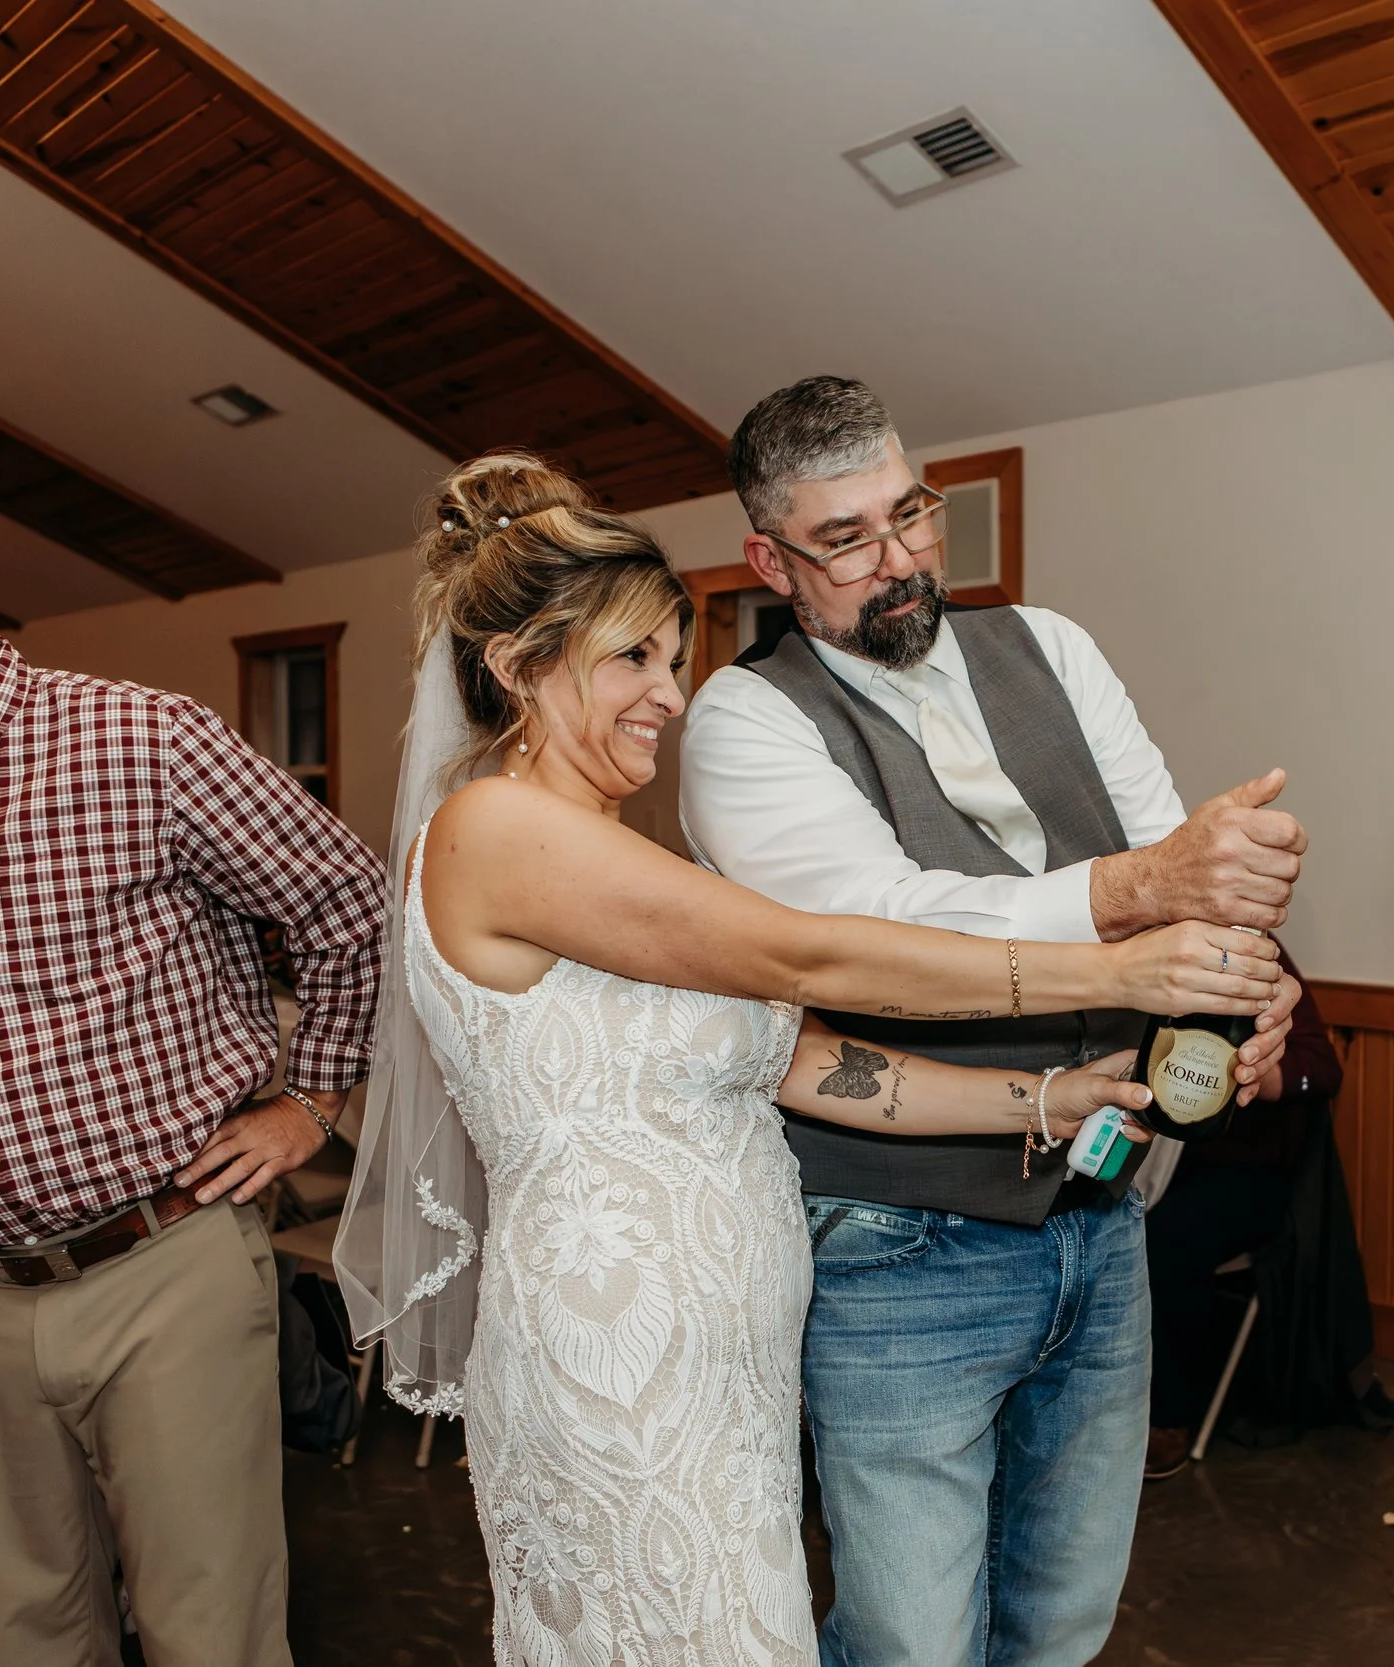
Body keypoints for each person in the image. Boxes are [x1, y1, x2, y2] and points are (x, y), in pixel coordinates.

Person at [335, 452, 1289, 1667]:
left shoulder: (603, 855)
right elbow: (818, 956)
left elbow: (810, 1062)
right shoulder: (495, 828)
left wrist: (1047, 1095)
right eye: (632, 658)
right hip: (621, 1350)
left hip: (727, 1354)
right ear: (520, 666)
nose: (669, 696)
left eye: (671, 660)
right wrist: (1118, 969)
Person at [679, 375, 1308, 1665]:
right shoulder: (743, 723)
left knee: (1065, 1614)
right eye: (847, 540)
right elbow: (878, 931)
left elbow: (1169, 849)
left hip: (1104, 1206)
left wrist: (1250, 970)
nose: (902, 561)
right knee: (913, 1639)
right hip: (898, 1240)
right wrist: (1143, 894)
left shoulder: (1052, 646)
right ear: (770, 559)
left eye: (914, 516)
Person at [0, 456, 385, 1667]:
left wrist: (311, 1100)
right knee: (22, 1634)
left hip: (163, 1262)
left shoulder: (138, 739)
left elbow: (348, 906)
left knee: (214, 1635)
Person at [1141, 946, 1343, 1478]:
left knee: (1169, 1237)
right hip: (1146, 1159)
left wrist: (1245, 1076)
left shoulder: (1256, 958)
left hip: (1242, 1173)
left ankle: (1168, 1417)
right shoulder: (1131, 954)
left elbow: (1322, 1069)